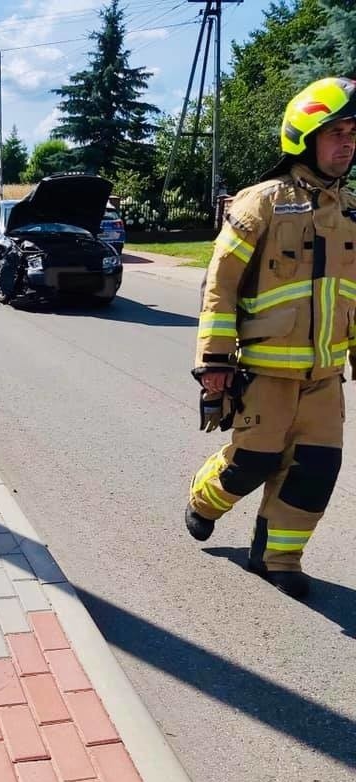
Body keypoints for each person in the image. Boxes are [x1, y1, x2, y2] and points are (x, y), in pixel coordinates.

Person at [186, 77, 356, 600]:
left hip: (325, 377)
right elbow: (221, 282)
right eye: (336, 133)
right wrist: (215, 360)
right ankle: (204, 500)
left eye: (353, 133)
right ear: (304, 136)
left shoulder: (350, 210)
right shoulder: (261, 202)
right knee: (252, 461)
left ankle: (278, 557)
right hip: (264, 371)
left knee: (315, 471)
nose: (347, 143)